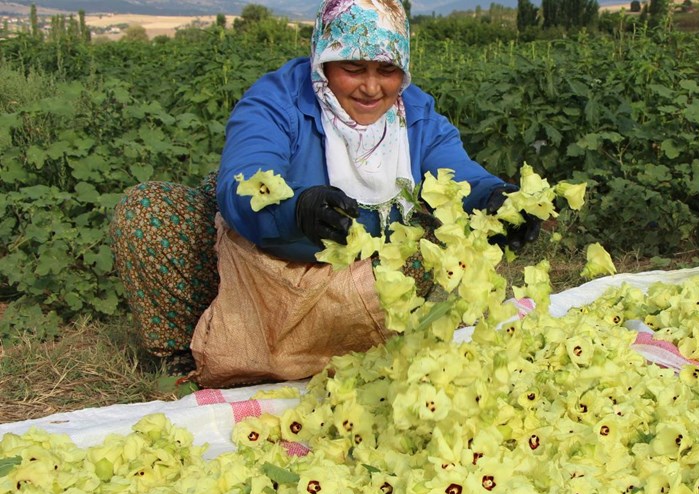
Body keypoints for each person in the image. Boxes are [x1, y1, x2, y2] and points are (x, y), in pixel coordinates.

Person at [109, 0, 538, 384]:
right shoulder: (278, 101)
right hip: (268, 250)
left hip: (358, 275)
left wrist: (497, 200)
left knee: (422, 242)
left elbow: (458, 175)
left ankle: (352, 348)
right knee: (148, 211)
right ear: (323, 61)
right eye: (353, 69)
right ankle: (191, 353)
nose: (372, 88)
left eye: (387, 70)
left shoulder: (414, 115)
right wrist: (297, 209)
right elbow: (244, 177)